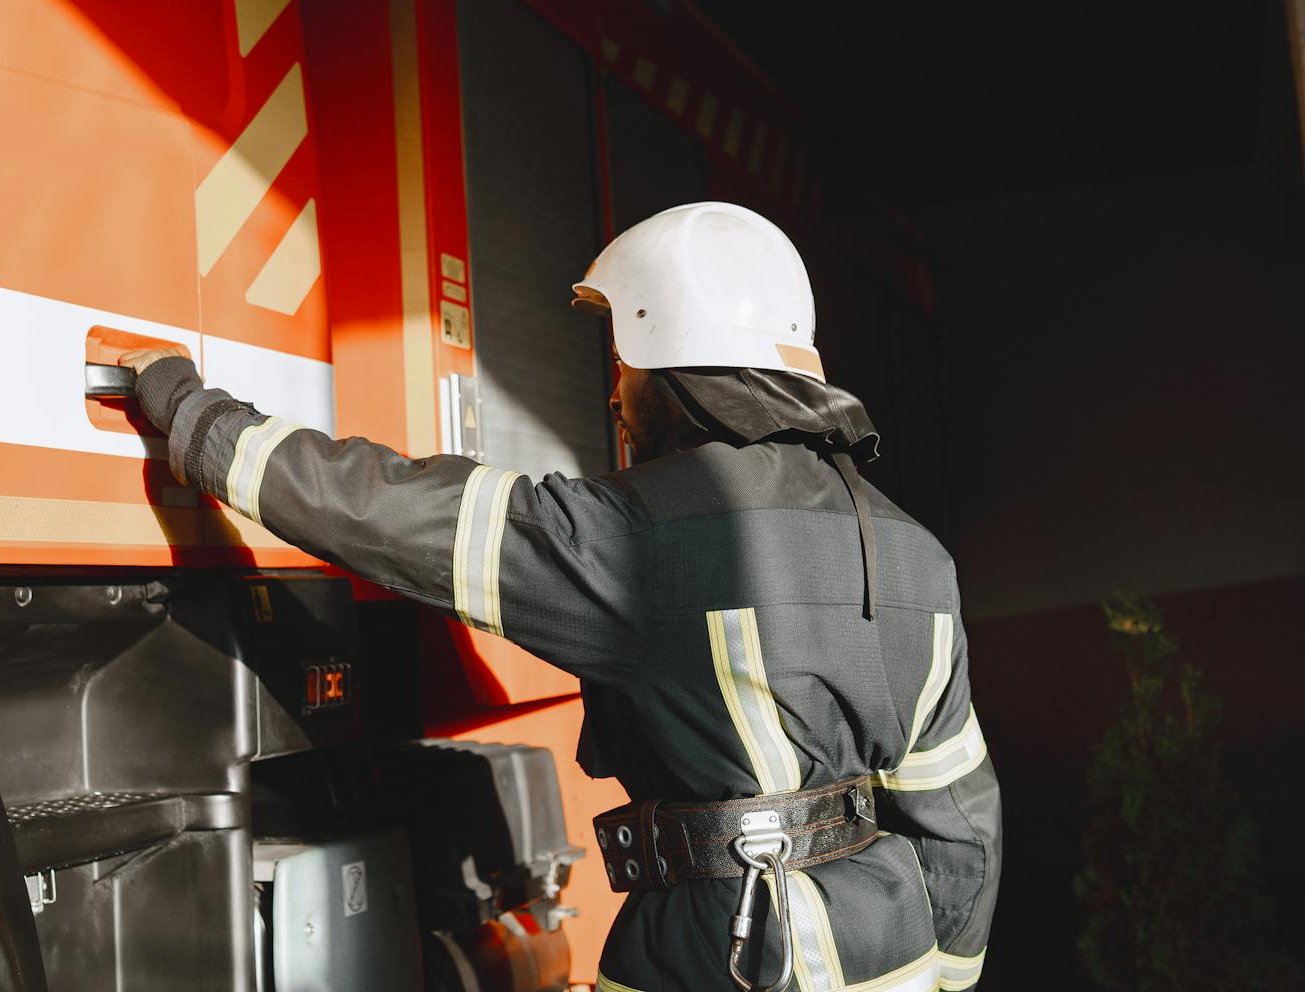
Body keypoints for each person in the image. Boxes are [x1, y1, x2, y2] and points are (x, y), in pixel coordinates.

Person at [120, 202, 1000, 992]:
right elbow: (963, 825)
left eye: (624, 364)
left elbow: (394, 514)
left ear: (671, 365)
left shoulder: (650, 539)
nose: (616, 395)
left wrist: (199, 420)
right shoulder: (917, 555)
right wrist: (949, 976)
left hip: (728, 954)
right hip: (898, 953)